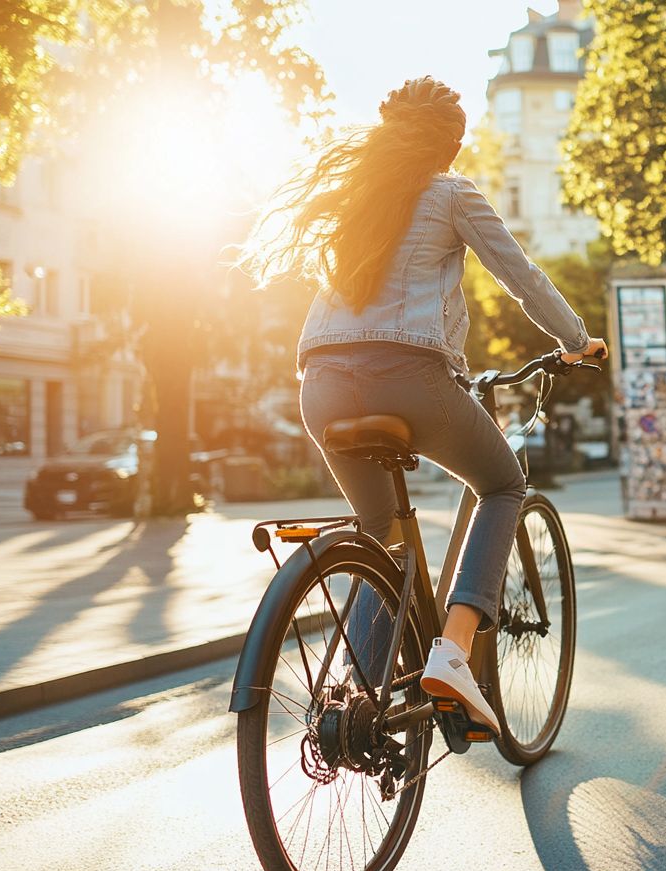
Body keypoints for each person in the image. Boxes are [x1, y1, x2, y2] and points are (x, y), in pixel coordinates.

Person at [245, 77, 607, 732]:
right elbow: (521, 277)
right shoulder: (450, 192)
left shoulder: (357, 202)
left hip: (320, 385)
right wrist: (577, 343)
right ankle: (453, 651)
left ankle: (359, 700)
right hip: (408, 376)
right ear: (454, 144)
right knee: (503, 485)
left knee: (377, 532)